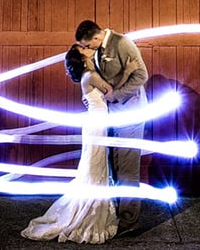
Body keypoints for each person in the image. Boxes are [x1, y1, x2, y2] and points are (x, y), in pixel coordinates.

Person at [21, 44, 140, 244]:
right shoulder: (90, 76)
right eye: (84, 50)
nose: (88, 50)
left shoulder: (89, 75)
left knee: (96, 168)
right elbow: (111, 92)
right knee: (94, 169)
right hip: (96, 125)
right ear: (83, 58)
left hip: (96, 124)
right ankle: (88, 215)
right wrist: (127, 71)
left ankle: (95, 208)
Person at [74, 19, 148, 236]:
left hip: (130, 114)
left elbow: (142, 75)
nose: (87, 49)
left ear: (96, 37)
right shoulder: (95, 54)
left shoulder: (122, 43)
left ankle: (129, 220)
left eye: (88, 45)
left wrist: (116, 96)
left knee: (127, 166)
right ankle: (117, 213)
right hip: (111, 115)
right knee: (114, 165)